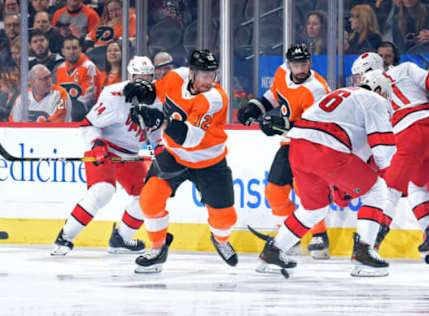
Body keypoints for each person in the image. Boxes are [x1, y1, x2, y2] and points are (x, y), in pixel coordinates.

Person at [253, 70, 396, 277]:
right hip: (327, 149)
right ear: (380, 90)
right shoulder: (375, 100)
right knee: (376, 189)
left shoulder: (340, 93)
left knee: (314, 209)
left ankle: (273, 252)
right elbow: (383, 150)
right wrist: (376, 170)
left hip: (298, 147)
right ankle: (364, 253)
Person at [129, 49, 238, 273]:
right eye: (204, 75)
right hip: (174, 156)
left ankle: (220, 240)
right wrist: (142, 90)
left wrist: (160, 121)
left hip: (209, 161)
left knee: (225, 219)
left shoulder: (214, 99)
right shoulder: (176, 77)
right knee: (149, 200)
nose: (209, 80)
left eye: (212, 75)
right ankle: (158, 250)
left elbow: (191, 139)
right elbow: (156, 93)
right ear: (191, 73)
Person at [351, 52, 429, 256]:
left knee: (389, 192)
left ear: (368, 71)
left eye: (359, 75)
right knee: (416, 185)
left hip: (407, 137)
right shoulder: (405, 69)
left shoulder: (366, 94)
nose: (358, 80)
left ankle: (369, 246)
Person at [51, 56, 160, 256]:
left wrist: (161, 152)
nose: (145, 82)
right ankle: (64, 238)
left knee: (149, 197)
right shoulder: (114, 95)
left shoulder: (158, 99)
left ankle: (121, 238)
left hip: (130, 154)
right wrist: (97, 144)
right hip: (105, 147)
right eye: (140, 77)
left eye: (149, 77)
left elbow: (157, 135)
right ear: (131, 76)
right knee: (103, 190)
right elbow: (88, 124)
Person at [237, 44, 332, 259]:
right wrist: (256, 106)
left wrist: (283, 124)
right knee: (274, 192)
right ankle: (292, 235)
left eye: (303, 64)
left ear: (310, 63)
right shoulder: (281, 72)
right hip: (290, 143)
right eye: (295, 64)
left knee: (305, 190)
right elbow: (274, 95)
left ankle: (319, 235)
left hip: (312, 144)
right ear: (288, 64)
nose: (300, 69)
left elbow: (320, 125)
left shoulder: (316, 88)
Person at [56, 35, 100, 121]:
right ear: (63, 51)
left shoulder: (89, 66)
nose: (71, 52)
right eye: (68, 48)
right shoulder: (60, 68)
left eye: (75, 48)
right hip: (67, 110)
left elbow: (89, 97)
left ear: (80, 49)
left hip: (87, 112)